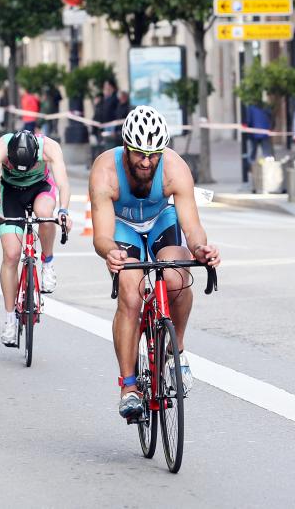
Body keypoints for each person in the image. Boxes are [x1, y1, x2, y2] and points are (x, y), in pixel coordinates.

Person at [88, 106, 220, 418]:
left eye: (154, 155)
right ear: (126, 148)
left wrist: (201, 248)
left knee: (176, 276)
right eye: (139, 154)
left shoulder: (175, 167)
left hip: (161, 219)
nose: (147, 162)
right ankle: (129, 386)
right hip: (122, 226)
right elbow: (101, 236)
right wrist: (111, 252)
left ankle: (177, 352)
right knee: (131, 296)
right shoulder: (105, 171)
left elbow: (192, 227)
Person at [0, 130, 73, 347]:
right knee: (12, 255)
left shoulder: (49, 147)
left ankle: (48, 262)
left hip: (40, 188)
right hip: (11, 192)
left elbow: (63, 184)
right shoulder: (0, 148)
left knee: (44, 215)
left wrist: (63, 211)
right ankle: (9, 319)